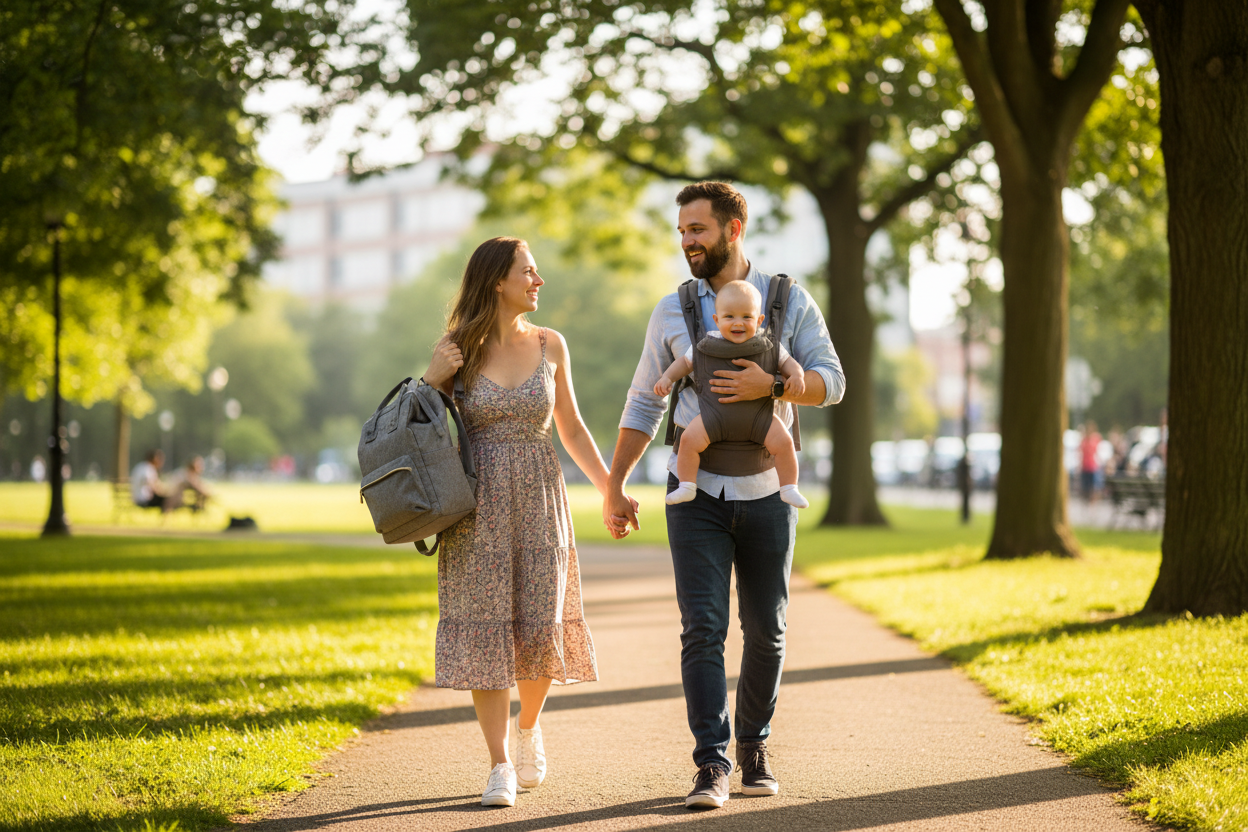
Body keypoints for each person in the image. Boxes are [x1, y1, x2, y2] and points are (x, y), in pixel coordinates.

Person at [604, 182, 845, 809]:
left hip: (768, 489)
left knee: (766, 630)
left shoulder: (788, 301)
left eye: (697, 230)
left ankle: (753, 748)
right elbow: (644, 401)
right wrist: (616, 483)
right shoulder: (670, 311)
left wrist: (780, 386)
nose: (686, 241)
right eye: (681, 231)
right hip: (697, 494)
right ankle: (710, 763)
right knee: (702, 628)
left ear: (732, 230)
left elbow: (833, 381)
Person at [419, 236, 636, 809]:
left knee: (540, 624)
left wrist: (611, 489)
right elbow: (416, 425)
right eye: (529, 272)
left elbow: (572, 429)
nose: (539, 282)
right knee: (487, 630)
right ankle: (499, 766)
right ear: (498, 280)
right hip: (477, 509)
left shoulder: (551, 344)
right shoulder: (456, 348)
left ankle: (530, 725)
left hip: (542, 499)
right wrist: (431, 378)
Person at [653, 279, 809, 509]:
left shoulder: (769, 344)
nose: (738, 323)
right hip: (713, 417)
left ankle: (789, 488)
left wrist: (797, 376)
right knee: (687, 440)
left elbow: (790, 364)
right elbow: (684, 364)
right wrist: (667, 378)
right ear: (716, 320)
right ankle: (686, 486)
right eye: (729, 317)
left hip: (760, 418)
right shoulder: (705, 344)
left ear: (759, 320)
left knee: (784, 442)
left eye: (747, 317)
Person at [1080, 420, 1102, 502]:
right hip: (1085, 466)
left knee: (1094, 487)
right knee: (1085, 487)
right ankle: (1087, 503)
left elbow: (1099, 451)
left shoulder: (1096, 438)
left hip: (1093, 466)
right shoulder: (1084, 439)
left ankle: (1093, 505)